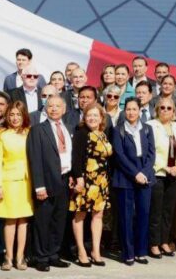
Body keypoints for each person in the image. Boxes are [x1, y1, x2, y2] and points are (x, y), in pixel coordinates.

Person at [26, 95, 74, 271]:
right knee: (42, 221)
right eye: (50, 106)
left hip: (64, 180)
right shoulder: (38, 129)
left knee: (58, 220)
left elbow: (70, 155)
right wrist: (39, 186)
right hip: (45, 182)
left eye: (57, 106)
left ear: (64, 109)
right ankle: (41, 257)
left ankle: (54, 254)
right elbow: (35, 159)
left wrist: (72, 175)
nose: (54, 109)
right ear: (45, 109)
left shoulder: (68, 128)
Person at [112, 98, 156, 266]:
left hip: (145, 176)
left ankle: (141, 251)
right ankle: (128, 253)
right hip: (126, 176)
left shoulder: (147, 129)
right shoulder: (118, 130)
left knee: (144, 215)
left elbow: (152, 154)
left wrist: (143, 172)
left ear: (139, 110)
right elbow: (119, 155)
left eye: (134, 109)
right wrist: (135, 173)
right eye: (128, 109)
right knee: (126, 216)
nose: (131, 112)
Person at [0, 101, 33, 271]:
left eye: (18, 114)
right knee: (10, 221)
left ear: (24, 115)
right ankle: (8, 257)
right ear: (7, 116)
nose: (15, 118)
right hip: (8, 181)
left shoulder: (30, 133)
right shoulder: (2, 134)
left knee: (23, 220)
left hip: (27, 181)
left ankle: (20, 257)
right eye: (12, 115)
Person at [70, 103, 113, 268]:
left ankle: (96, 251)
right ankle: (81, 251)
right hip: (85, 180)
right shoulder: (81, 133)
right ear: (84, 117)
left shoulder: (102, 133)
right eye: (89, 115)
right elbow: (76, 157)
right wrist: (78, 178)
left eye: (96, 115)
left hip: (100, 180)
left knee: (98, 215)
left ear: (101, 118)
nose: (92, 118)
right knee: (80, 215)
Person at [146, 97, 176, 258]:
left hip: (174, 174)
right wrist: (165, 167)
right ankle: (153, 244)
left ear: (174, 111)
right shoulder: (150, 126)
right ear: (157, 110)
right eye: (162, 108)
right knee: (156, 211)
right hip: (158, 173)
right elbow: (150, 151)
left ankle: (164, 241)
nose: (166, 111)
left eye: (169, 108)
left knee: (169, 211)